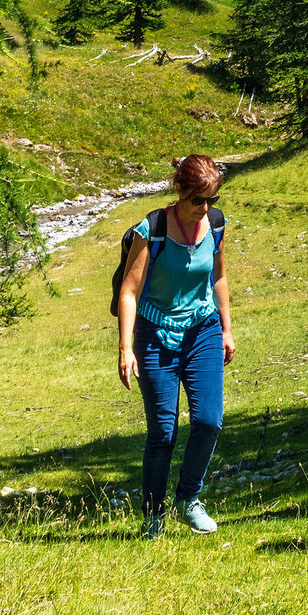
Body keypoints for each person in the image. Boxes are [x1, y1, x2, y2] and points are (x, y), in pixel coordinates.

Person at [116, 152, 234, 537]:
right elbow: (129, 292)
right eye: (198, 199)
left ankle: (189, 499)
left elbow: (219, 277)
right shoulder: (151, 229)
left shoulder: (216, 224)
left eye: (212, 199)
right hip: (155, 335)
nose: (205, 208)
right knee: (163, 433)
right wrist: (125, 348)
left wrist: (226, 330)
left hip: (203, 331)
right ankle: (153, 515)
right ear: (179, 190)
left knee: (209, 421)